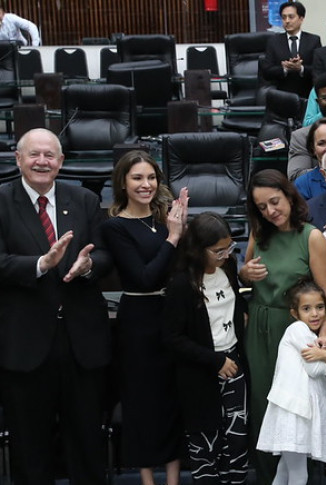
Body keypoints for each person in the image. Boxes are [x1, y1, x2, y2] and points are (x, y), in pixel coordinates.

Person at [0, 128, 111, 484]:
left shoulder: (84, 200)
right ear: (18, 159)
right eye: (34, 154)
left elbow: (106, 255)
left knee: (87, 447)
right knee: (31, 451)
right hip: (25, 345)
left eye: (50, 155)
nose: (42, 162)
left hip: (81, 344)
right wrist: (40, 264)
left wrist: (89, 266)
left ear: (61, 162)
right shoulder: (1, 201)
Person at [239, 169, 326, 485]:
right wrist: (244, 274)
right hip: (261, 325)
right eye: (262, 207)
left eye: (275, 202)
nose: (271, 211)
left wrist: (323, 337)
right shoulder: (259, 232)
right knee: (264, 400)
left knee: (300, 404)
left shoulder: (312, 236)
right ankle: (269, 478)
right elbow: (247, 274)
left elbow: (325, 292)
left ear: (290, 196)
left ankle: (306, 478)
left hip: (295, 328)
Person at [101, 151, 188, 485]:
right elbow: (143, 278)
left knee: (172, 399)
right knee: (142, 402)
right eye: (137, 178)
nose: (146, 184)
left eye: (151, 177)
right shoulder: (114, 226)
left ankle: (174, 478)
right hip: (138, 321)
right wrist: (173, 236)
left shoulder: (166, 216)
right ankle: (149, 480)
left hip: (172, 316)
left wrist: (178, 230)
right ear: (123, 182)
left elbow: (179, 269)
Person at [163, 213, 249, 485]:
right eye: (217, 251)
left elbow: (236, 306)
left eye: (229, 248)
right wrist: (214, 360)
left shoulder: (228, 268)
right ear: (198, 250)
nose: (225, 255)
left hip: (234, 363)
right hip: (201, 372)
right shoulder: (182, 284)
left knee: (236, 439)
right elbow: (172, 337)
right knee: (205, 442)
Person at [257, 281, 326, 485]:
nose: (315, 314)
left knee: (285, 469)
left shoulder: (315, 339)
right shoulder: (297, 330)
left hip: (303, 412)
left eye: (320, 307)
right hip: (294, 413)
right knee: (299, 474)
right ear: (295, 313)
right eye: (307, 309)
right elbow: (314, 370)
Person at [261, 1, 322, 98]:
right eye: (284, 17)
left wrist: (301, 68)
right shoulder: (273, 41)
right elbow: (266, 71)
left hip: (307, 95)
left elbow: (319, 69)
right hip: (281, 95)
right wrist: (285, 69)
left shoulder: (313, 40)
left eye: (291, 17)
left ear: (301, 18)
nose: (287, 21)